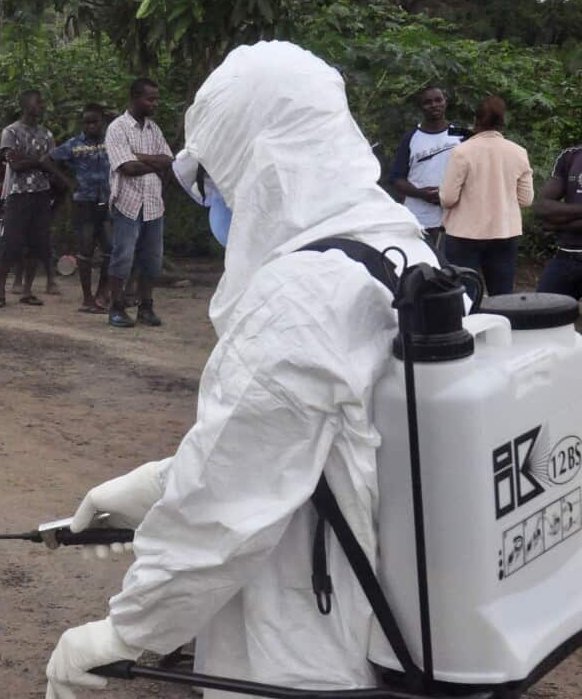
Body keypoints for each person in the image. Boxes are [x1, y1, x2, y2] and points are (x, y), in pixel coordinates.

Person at [43, 41, 438, 699]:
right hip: (387, 610)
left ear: (257, 166)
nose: (217, 205)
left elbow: (224, 509)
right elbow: (311, 439)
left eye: (216, 183)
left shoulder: (300, 296)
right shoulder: (394, 240)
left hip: (305, 640)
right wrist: (153, 487)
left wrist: (124, 634)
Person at [439, 95, 533, 295]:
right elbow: (526, 200)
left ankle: (471, 326)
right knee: (502, 296)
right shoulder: (518, 152)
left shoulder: (462, 152)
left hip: (464, 235)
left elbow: (448, 198)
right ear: (503, 121)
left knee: (465, 295)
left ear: (477, 120)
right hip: (505, 233)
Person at [104, 78, 173, 328]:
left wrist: (141, 156)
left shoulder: (154, 129)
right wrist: (151, 162)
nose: (154, 104)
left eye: (156, 98)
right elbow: (127, 167)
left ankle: (146, 307)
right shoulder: (117, 128)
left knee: (152, 259)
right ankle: (117, 307)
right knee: (122, 256)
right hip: (128, 202)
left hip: (154, 204)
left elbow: (169, 161)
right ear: (134, 98)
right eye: (150, 99)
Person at [0, 90, 57, 308]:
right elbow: (15, 163)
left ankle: (27, 291)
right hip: (18, 193)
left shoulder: (47, 134)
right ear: (25, 104)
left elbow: (52, 164)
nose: (42, 105)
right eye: (38, 101)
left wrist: (31, 160)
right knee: (10, 243)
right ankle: (0, 291)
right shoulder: (10, 131)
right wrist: (40, 161)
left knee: (36, 244)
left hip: (41, 194)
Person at [48, 104, 112, 313]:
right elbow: (48, 160)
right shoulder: (74, 144)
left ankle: (103, 292)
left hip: (108, 201)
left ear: (102, 122)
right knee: (85, 251)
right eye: (86, 122)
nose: (91, 126)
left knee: (110, 249)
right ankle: (87, 298)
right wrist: (67, 182)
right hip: (84, 202)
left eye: (95, 121)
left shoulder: (112, 141)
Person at [389, 86, 471, 248]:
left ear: (445, 102)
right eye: (427, 102)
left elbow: (475, 174)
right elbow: (396, 178)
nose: (434, 105)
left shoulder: (461, 135)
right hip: (418, 218)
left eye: (438, 100)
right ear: (420, 107)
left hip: (455, 217)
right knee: (421, 268)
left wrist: (451, 195)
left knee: (452, 269)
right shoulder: (411, 138)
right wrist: (421, 193)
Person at [534, 144, 582, 298]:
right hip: (566, 257)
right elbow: (542, 206)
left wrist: (556, 225)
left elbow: (549, 214)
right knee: (541, 313)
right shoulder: (570, 155)